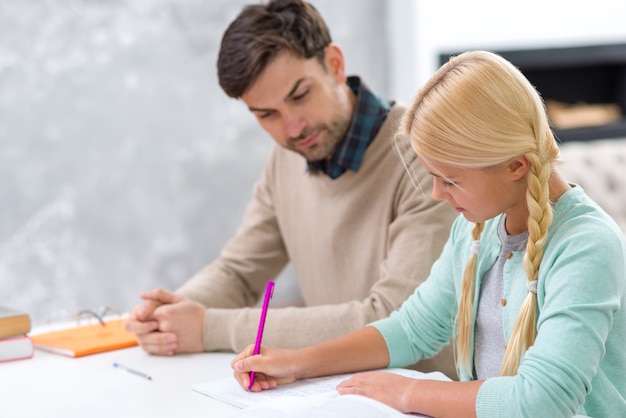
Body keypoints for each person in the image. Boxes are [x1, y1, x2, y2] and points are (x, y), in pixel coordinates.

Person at [231, 50, 626, 418]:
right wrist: (298, 362)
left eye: (450, 180)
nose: (437, 194)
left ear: (516, 166)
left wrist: (405, 392)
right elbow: (412, 328)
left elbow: (543, 399)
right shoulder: (475, 229)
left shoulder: (586, 247)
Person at [125, 0, 458, 378]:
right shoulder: (287, 158)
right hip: (334, 393)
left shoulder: (425, 157)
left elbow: (393, 318)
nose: (293, 128)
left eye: (300, 95)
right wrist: (169, 315)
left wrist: (206, 328)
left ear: (334, 64)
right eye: (266, 115)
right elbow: (239, 272)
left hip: (421, 399)